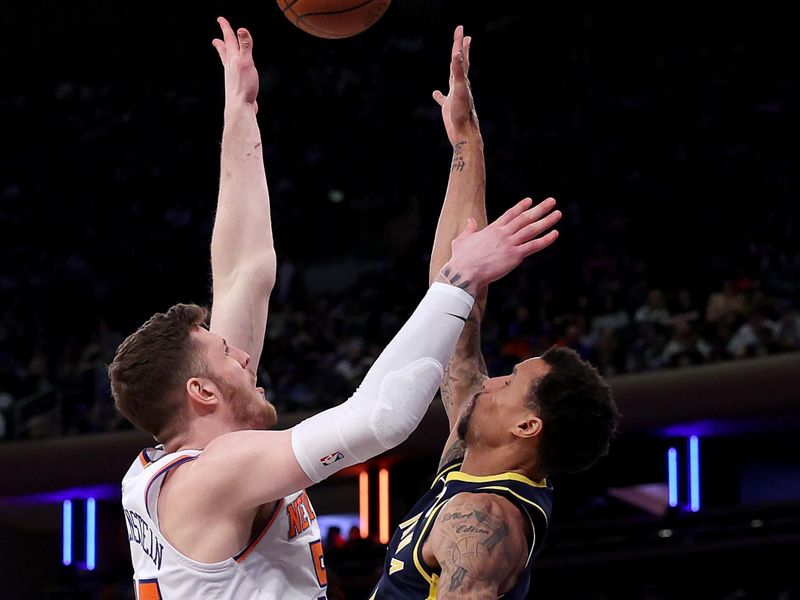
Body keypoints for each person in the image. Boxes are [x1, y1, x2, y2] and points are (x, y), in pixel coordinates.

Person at [111, 19, 564, 600]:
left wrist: (241, 114)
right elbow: (378, 419)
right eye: (227, 353)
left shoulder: (183, 465)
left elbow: (244, 270)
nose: (245, 352)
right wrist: (458, 280)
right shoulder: (212, 476)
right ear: (201, 392)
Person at [370, 26, 620, 599]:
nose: (492, 379)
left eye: (511, 380)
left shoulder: (486, 520)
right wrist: (466, 141)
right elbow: (458, 324)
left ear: (527, 425)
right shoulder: (469, 468)